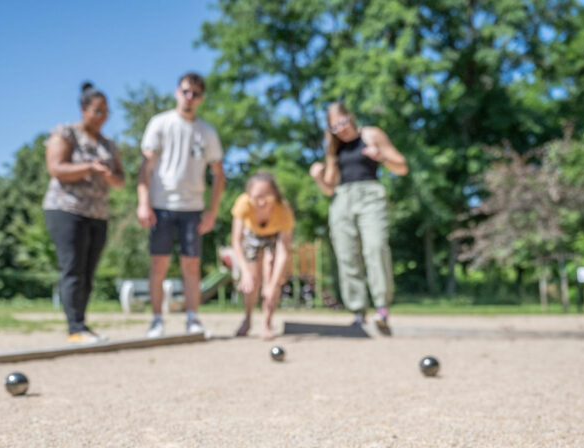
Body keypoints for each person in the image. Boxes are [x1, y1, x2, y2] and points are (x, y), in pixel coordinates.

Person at [137, 72, 225, 337]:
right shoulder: (160, 123)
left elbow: (219, 174)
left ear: (201, 98)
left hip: (193, 208)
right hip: (161, 205)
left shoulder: (207, 133)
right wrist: (143, 203)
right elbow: (146, 167)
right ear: (177, 92)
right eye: (186, 91)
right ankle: (156, 320)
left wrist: (212, 211)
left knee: (191, 265)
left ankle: (192, 319)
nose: (189, 97)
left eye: (195, 94)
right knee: (159, 264)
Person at [309, 102, 408, 333]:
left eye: (342, 123)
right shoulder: (334, 149)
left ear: (350, 118)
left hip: (369, 195)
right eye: (334, 127)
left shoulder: (371, 134)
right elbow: (329, 189)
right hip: (343, 199)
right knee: (346, 255)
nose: (341, 129)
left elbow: (402, 167)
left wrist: (380, 155)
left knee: (375, 248)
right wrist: (318, 178)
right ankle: (357, 312)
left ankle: (381, 307)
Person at [43, 82, 125, 343]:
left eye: (106, 112)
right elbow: (56, 168)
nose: (102, 117)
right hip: (66, 208)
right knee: (73, 267)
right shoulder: (65, 133)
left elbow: (121, 180)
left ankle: (82, 324)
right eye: (97, 111)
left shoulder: (109, 144)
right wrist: (89, 167)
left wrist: (109, 175)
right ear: (83, 109)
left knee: (89, 271)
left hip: (97, 213)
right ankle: (75, 327)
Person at [230, 171, 294, 340]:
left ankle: (266, 323)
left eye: (267, 197)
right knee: (252, 280)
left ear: (275, 194)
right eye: (257, 197)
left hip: (274, 238)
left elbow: (283, 252)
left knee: (272, 276)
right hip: (252, 235)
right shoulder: (243, 204)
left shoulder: (283, 210)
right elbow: (236, 241)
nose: (262, 202)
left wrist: (273, 284)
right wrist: (244, 272)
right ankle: (248, 318)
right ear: (249, 195)